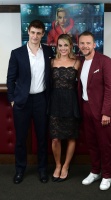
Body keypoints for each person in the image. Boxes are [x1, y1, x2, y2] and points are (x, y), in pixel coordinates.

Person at [6, 20, 54, 184]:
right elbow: (10, 79)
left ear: (42, 34)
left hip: (41, 100)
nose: (35, 36)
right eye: (33, 32)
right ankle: (20, 170)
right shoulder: (17, 53)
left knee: (42, 138)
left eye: (38, 33)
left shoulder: (48, 51)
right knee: (20, 139)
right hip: (22, 102)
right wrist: (12, 100)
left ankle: (42, 170)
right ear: (28, 31)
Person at [78, 31, 111, 190]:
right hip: (85, 108)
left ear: (94, 44)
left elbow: (110, 88)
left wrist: (106, 112)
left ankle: (107, 175)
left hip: (101, 111)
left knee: (104, 145)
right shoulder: (79, 62)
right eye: (82, 43)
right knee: (91, 143)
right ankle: (95, 171)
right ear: (78, 45)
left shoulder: (104, 61)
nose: (85, 46)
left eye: (88, 43)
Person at [48, 34, 80, 182]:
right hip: (55, 102)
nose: (63, 48)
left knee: (71, 137)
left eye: (66, 45)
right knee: (55, 138)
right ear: (57, 47)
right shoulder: (52, 61)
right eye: (60, 45)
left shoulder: (77, 62)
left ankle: (66, 166)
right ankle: (58, 165)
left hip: (71, 102)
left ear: (71, 46)